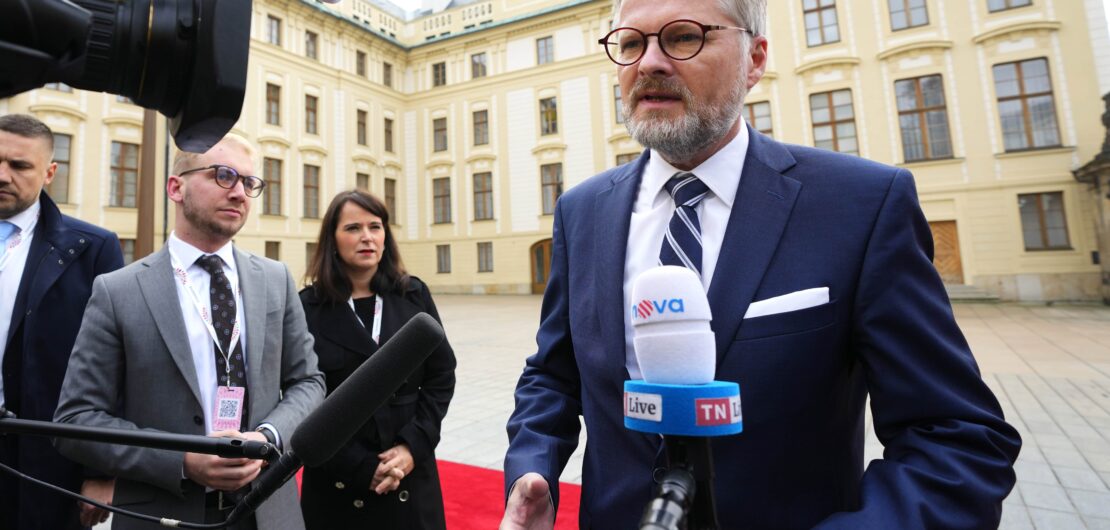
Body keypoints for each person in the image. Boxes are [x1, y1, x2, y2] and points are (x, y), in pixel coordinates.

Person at [500, 0, 1021, 528]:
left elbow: (957, 440)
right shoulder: (581, 212)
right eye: (631, 43)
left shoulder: (862, 205)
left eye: (683, 37)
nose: (649, 62)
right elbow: (553, 375)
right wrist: (531, 466)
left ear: (755, 59)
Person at [53, 134, 325, 530]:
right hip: (163, 511)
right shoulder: (118, 291)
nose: (240, 193)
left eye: (250, 183)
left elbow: (309, 382)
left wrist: (268, 436)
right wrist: (182, 460)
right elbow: (76, 420)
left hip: (267, 511)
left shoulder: (275, 279)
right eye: (224, 176)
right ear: (175, 187)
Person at [298, 189, 456, 529]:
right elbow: (300, 394)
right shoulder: (308, 307)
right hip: (338, 482)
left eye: (375, 226)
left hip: (409, 476)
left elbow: (441, 375)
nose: (367, 237)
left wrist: (412, 447)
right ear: (332, 239)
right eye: (353, 228)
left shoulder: (413, 295)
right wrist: (359, 466)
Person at [0, 114, 124, 530]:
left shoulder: (93, 249)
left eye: (19, 166)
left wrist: (101, 469)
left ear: (50, 172)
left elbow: (114, 366)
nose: (3, 175)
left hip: (44, 464)